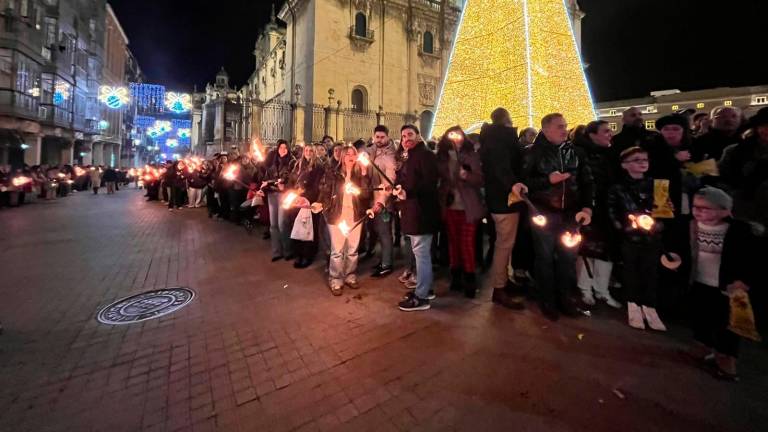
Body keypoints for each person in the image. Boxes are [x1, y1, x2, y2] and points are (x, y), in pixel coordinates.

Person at [516, 113, 594, 321]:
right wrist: (547, 180)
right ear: (546, 129)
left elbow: (587, 182)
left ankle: (565, 298)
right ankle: (547, 300)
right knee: (544, 258)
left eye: (565, 126)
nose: (564, 130)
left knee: (568, 258)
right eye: (559, 126)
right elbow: (524, 183)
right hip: (544, 212)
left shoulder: (577, 153)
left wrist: (587, 207)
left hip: (570, 214)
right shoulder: (532, 153)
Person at [686, 187, 758, 381]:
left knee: (727, 325)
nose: (698, 211)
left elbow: (752, 259)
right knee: (701, 316)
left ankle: (726, 359)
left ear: (724, 210)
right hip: (699, 281)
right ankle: (702, 346)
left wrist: (744, 281)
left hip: (726, 287)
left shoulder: (740, 231)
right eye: (695, 207)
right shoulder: (691, 226)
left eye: (705, 208)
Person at [608, 147, 666, 330]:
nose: (642, 163)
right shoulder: (617, 188)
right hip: (630, 238)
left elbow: (664, 212)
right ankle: (633, 306)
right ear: (625, 165)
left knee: (650, 272)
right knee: (631, 271)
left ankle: (650, 307)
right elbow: (612, 211)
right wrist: (625, 227)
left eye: (644, 159)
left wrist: (658, 224)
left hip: (652, 238)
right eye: (636, 160)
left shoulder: (658, 186)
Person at [480, 107, 527, 309]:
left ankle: (504, 282)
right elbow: (502, 167)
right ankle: (499, 288)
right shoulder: (501, 138)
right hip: (505, 199)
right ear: (507, 120)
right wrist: (513, 184)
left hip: (498, 197)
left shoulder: (490, 137)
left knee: (504, 242)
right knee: (504, 244)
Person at [573, 120, 621, 308]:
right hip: (590, 207)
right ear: (592, 135)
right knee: (588, 249)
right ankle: (585, 288)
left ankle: (601, 289)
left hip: (607, 207)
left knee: (606, 250)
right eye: (606, 131)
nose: (610, 134)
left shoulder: (607, 153)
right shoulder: (582, 154)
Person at [315, 146, 372, 295]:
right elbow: (325, 191)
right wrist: (321, 203)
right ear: (342, 157)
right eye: (348, 154)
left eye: (354, 154)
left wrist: (365, 174)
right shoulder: (333, 173)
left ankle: (350, 275)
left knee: (352, 249)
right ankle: (335, 279)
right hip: (336, 215)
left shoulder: (359, 174)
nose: (351, 156)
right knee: (337, 250)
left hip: (355, 215)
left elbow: (365, 195)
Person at [395, 125, 439, 311]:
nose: (406, 138)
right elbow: (408, 179)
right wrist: (398, 188)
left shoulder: (425, 155)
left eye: (410, 134)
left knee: (421, 254)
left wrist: (409, 192)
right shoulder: (410, 155)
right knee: (420, 253)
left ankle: (421, 298)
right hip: (412, 210)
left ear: (418, 135)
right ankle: (425, 289)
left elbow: (429, 183)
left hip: (421, 212)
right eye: (403, 135)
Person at [436, 126, 485, 298]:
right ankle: (456, 278)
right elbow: (438, 178)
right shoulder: (442, 156)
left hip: (468, 207)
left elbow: (480, 179)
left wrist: (467, 176)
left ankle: (470, 279)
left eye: (459, 134)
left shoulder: (471, 155)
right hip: (450, 206)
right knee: (453, 244)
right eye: (452, 134)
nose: (456, 137)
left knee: (467, 244)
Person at [719, 107, 768, 231]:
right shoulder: (734, 151)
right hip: (743, 212)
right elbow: (722, 178)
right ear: (756, 128)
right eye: (764, 125)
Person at [365, 125, 398, 278]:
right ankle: (383, 259)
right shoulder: (372, 150)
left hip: (383, 201)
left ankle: (387, 264)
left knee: (385, 233)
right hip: (372, 197)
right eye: (376, 137)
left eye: (382, 137)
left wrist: (381, 202)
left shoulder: (390, 156)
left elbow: (389, 181)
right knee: (378, 231)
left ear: (387, 137)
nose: (379, 140)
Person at [286, 145, 325, 269]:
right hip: (297, 201)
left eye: (311, 150)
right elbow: (292, 180)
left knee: (309, 228)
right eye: (306, 150)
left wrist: (306, 196)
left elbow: (318, 186)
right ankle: (299, 254)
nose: (308, 152)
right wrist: (292, 192)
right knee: (297, 226)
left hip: (309, 202)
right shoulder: (298, 164)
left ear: (314, 152)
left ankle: (308, 255)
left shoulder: (318, 167)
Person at [260, 140, 294, 261]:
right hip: (272, 195)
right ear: (277, 149)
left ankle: (287, 250)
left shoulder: (292, 162)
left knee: (282, 223)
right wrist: (263, 187)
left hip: (284, 196)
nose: (283, 150)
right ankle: (276, 251)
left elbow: (292, 179)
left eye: (285, 148)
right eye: (281, 148)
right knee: (273, 224)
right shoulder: (273, 163)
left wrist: (285, 185)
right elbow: (267, 178)